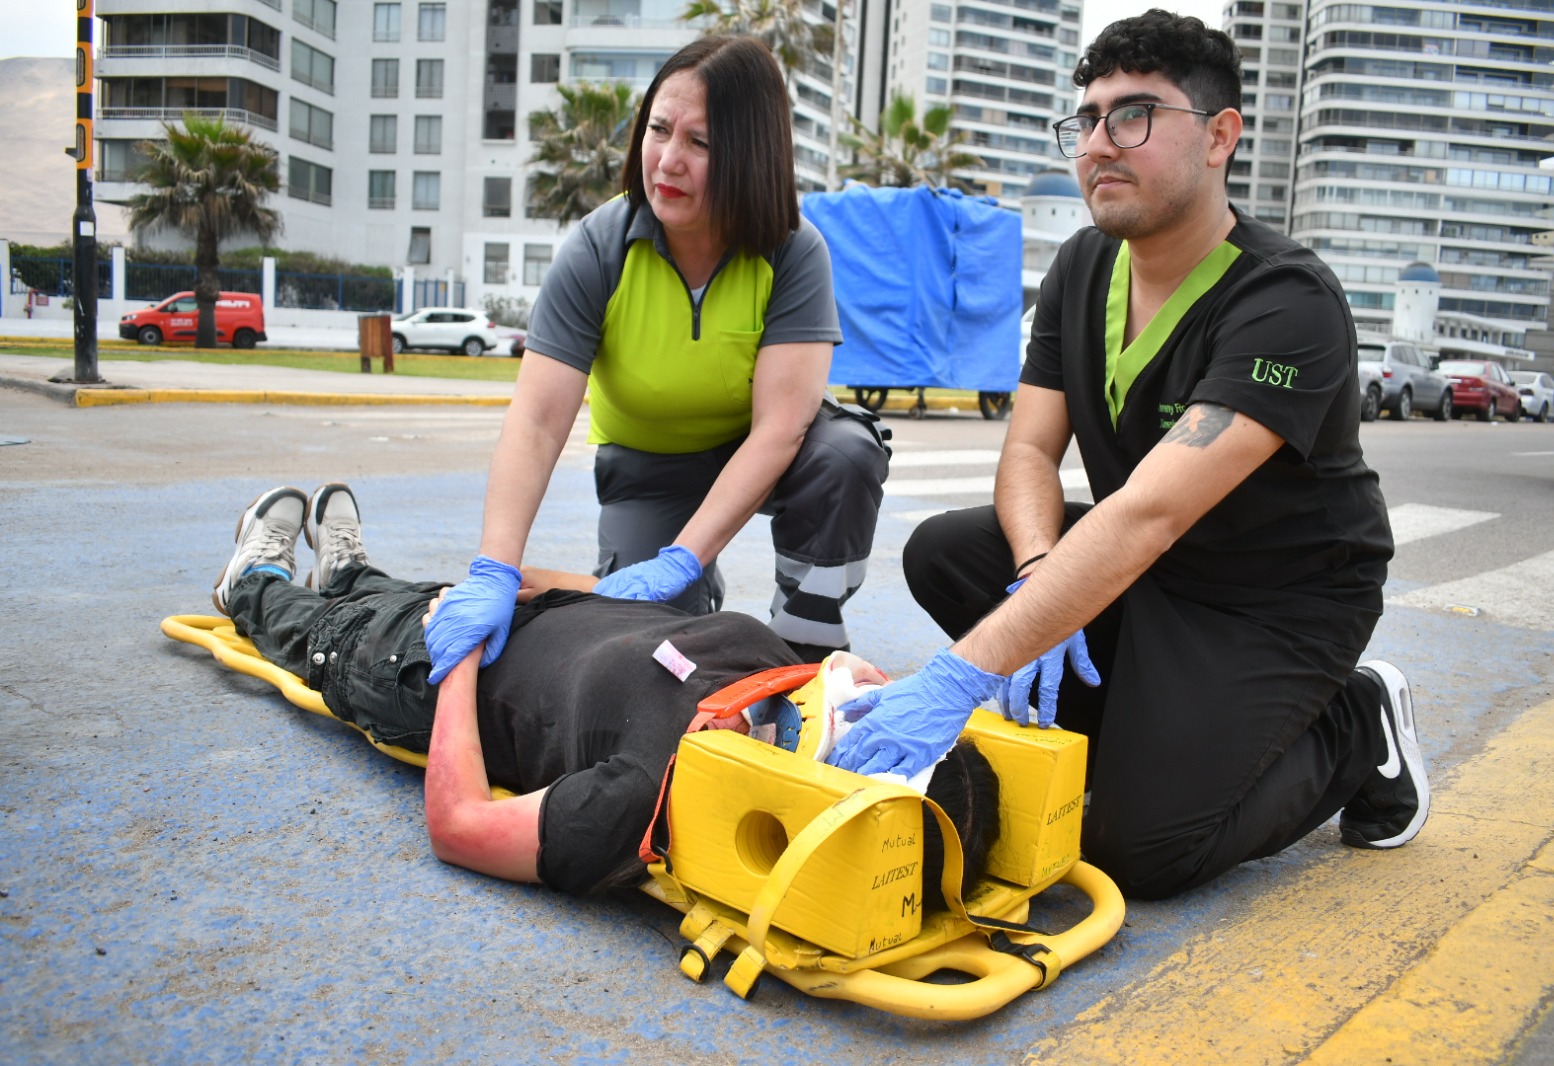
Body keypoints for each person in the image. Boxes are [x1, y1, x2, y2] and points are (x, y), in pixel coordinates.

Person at [825, 10, 1428, 901]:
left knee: (1140, 852)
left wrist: (962, 673)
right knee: (948, 553)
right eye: (1089, 118)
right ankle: (1154, 731)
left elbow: (1153, 509)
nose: (1100, 143)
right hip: (1153, 575)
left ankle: (1354, 720)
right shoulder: (1082, 266)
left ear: (1221, 135)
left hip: (1273, 601)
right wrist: (1038, 578)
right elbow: (1029, 450)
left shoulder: (1284, 299)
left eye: (1136, 115)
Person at [208, 484, 998, 901]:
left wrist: (455, 665)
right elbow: (634, 623)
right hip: (524, 610)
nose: (870, 691)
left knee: (322, 627)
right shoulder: (782, 673)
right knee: (389, 591)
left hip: (418, 671)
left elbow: (459, 825)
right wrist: (517, 583)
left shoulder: (654, 800)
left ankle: (255, 585)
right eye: (884, 707)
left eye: (864, 724)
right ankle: (349, 572)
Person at [425, 34, 891, 686]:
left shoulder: (793, 250)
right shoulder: (599, 247)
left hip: (755, 452)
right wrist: (495, 567)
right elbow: (535, 422)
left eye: (699, 143)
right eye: (659, 130)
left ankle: (804, 629)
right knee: (650, 642)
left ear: (750, 156)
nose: (668, 161)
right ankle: (683, 589)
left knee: (846, 452)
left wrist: (685, 556)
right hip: (648, 470)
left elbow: (782, 427)